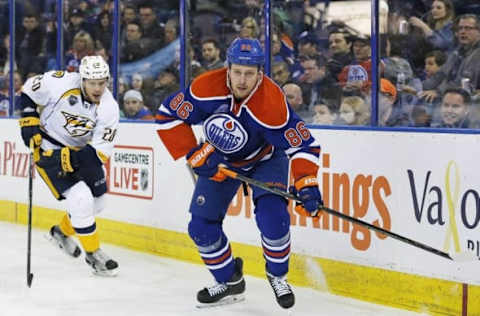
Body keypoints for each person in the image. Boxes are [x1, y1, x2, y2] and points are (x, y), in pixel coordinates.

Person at [155, 38, 322, 309]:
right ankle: (230, 281)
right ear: (227, 68)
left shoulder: (272, 104)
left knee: (274, 217)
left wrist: (307, 184)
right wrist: (195, 155)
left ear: (260, 73)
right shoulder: (206, 88)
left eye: (250, 73)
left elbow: (304, 145)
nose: (243, 80)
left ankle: (277, 276)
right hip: (220, 161)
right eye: (237, 72)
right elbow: (168, 115)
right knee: (200, 228)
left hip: (265, 160)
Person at [18, 56, 120, 276]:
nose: (97, 88)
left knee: (99, 203)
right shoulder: (61, 81)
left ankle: (61, 233)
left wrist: (72, 159)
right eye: (92, 83)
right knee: (81, 198)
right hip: (47, 147)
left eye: (102, 82)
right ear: (81, 79)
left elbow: (99, 153)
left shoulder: (109, 107)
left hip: (82, 155)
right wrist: (28, 120)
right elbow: (27, 91)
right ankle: (94, 255)